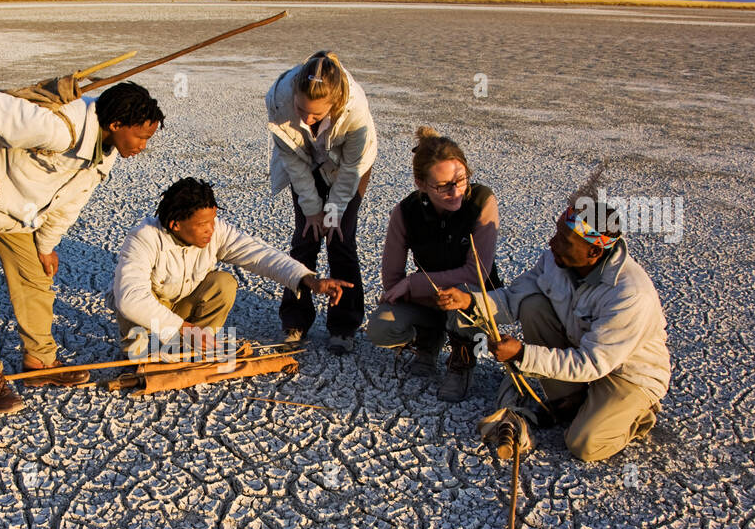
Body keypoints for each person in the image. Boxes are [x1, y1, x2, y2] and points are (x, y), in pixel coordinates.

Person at [0, 81, 163, 414]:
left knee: (35, 278)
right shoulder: (60, 129)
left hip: (16, 210)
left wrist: (46, 244)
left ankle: (39, 362)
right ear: (116, 125)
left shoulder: (103, 155)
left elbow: (70, 202)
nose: (142, 146)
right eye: (141, 137)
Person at [435, 171, 671, 462]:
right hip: (582, 355)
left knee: (584, 444)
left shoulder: (629, 295)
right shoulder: (556, 261)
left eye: (564, 239)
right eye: (557, 232)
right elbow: (512, 298)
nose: (551, 243)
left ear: (594, 251)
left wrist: (522, 353)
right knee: (533, 304)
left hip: (625, 377)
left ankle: (636, 415)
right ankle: (576, 400)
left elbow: (591, 362)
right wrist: (470, 300)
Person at [112, 177, 353, 358]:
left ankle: (190, 351)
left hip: (182, 309)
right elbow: (131, 299)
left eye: (213, 220)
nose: (211, 229)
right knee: (139, 349)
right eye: (202, 224)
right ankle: (143, 353)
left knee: (223, 283)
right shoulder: (144, 237)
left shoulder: (215, 232)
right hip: (148, 316)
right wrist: (184, 328)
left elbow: (261, 255)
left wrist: (308, 279)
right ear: (175, 225)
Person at [366, 127, 501, 403]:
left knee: (462, 290)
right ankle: (428, 340)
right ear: (421, 184)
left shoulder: (481, 201)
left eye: (461, 179)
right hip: (432, 301)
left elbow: (477, 273)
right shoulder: (405, 212)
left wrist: (413, 283)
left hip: (476, 301)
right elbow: (392, 282)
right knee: (381, 325)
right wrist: (409, 289)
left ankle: (462, 361)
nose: (456, 192)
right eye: (442, 186)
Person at [266, 51, 377, 355]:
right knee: (306, 238)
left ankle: (344, 326)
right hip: (304, 161)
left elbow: (352, 169)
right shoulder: (278, 98)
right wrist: (314, 210)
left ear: (335, 104)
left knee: (340, 238)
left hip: (347, 168)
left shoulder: (355, 114)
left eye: (316, 115)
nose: (305, 118)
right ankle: (295, 320)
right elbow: (293, 159)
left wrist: (333, 211)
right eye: (301, 109)